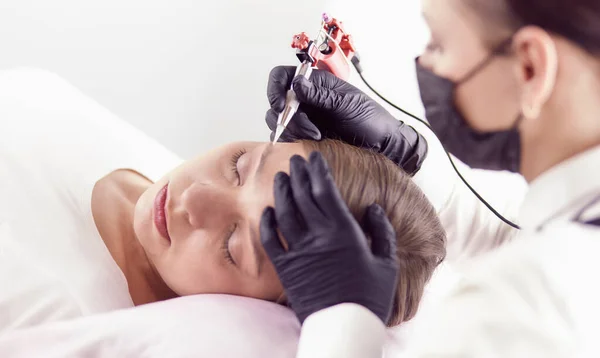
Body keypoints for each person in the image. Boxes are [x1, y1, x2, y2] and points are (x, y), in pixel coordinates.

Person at [262, 0, 600, 356]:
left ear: (530, 67)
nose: (426, 65)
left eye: (437, 44)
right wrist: (409, 158)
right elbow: (529, 240)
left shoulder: (508, 315)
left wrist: (341, 320)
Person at [0, 68, 445, 332]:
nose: (194, 197)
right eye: (239, 165)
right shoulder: (148, 175)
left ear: (259, 313)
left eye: (233, 244)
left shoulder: (58, 318)